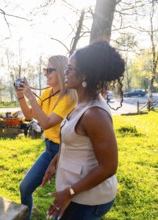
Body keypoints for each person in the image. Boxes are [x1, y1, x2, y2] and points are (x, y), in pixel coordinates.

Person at [45, 41, 125, 220]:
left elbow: (109, 166)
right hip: (75, 193)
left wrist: (70, 192)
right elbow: (75, 141)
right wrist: (55, 162)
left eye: (70, 68)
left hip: (87, 199)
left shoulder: (94, 113)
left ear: (85, 75)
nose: (65, 72)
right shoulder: (81, 103)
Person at [15, 55, 77, 220]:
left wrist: (30, 95)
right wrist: (21, 96)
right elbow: (29, 114)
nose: (46, 74)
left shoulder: (69, 97)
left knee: (62, 201)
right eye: (45, 70)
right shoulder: (48, 93)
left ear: (62, 71)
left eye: (50, 70)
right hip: (50, 149)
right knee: (25, 187)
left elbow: (47, 123)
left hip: (64, 153)